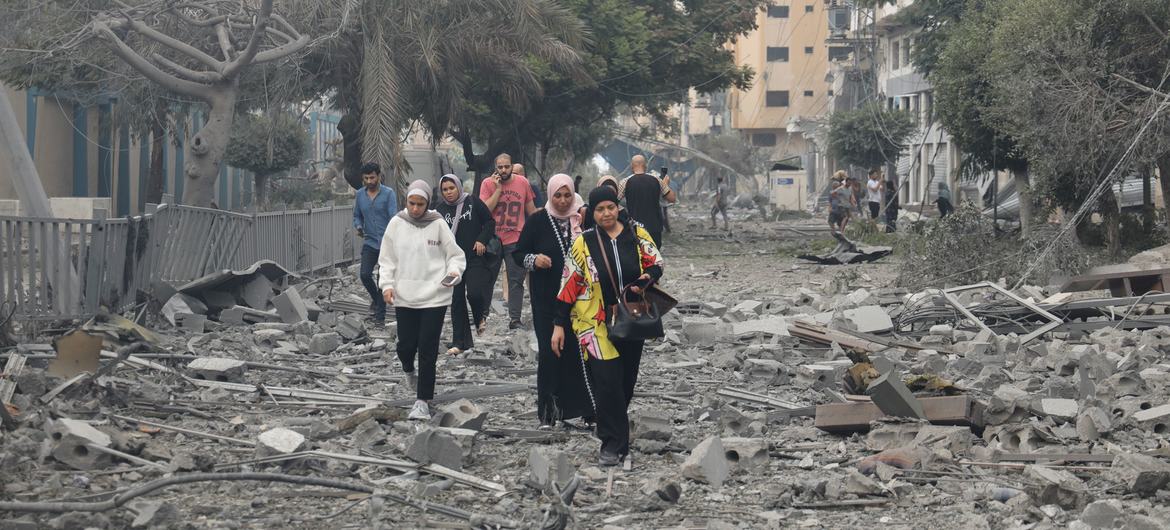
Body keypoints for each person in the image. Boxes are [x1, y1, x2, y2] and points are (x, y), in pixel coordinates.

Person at [552, 185, 664, 466]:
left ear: (618, 208)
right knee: (606, 382)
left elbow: (656, 262)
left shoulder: (636, 234)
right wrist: (558, 324)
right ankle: (612, 445)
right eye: (600, 209)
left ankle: (615, 429)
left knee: (625, 383)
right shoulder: (583, 242)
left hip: (631, 319)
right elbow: (569, 285)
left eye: (610, 208)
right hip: (593, 323)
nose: (606, 214)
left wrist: (642, 281)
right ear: (592, 212)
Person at [379, 180, 467, 421]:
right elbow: (387, 259)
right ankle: (408, 369)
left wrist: (454, 274)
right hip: (405, 296)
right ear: (406, 201)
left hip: (434, 296)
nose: (415, 209)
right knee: (406, 345)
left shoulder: (438, 223)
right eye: (411, 203)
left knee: (428, 348)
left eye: (420, 204)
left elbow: (455, 256)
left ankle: (422, 401)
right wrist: (386, 285)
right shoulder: (397, 223)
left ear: (428, 203)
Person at [514, 174, 591, 429]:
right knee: (549, 353)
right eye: (557, 195)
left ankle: (576, 409)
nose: (562, 200)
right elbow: (518, 254)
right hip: (546, 300)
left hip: (578, 301)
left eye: (567, 195)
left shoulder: (579, 221)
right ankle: (548, 413)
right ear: (549, 195)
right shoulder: (537, 220)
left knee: (576, 352)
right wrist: (534, 260)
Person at [435, 175, 495, 355]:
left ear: (458, 187)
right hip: (453, 262)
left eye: (451, 188)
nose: (449, 192)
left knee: (475, 293)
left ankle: (479, 318)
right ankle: (460, 343)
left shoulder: (472, 202)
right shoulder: (439, 210)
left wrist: (482, 240)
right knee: (456, 301)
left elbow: (490, 222)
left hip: (474, 257)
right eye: (445, 189)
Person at [479, 153, 537, 330]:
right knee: (488, 279)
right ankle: (482, 317)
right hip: (494, 239)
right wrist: (497, 189)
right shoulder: (487, 184)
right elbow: (484, 211)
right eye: (500, 167)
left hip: (516, 239)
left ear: (512, 166)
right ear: (495, 168)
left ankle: (515, 319)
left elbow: (531, 211)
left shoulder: (523, 183)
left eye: (506, 166)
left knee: (516, 281)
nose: (503, 170)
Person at [352, 162, 398, 326]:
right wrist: (358, 226)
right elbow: (357, 216)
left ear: (378, 176)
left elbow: (394, 218)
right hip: (370, 242)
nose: (370, 181)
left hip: (387, 243)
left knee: (382, 280)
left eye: (372, 177)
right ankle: (377, 302)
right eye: (366, 178)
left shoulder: (389, 194)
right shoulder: (359, 195)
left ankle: (380, 318)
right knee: (364, 274)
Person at [620, 155, 676, 249]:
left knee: (637, 258)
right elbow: (672, 198)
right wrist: (666, 184)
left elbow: (613, 202)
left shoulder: (625, 182)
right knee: (654, 258)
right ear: (645, 166)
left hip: (635, 229)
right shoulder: (657, 180)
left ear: (632, 166)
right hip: (654, 228)